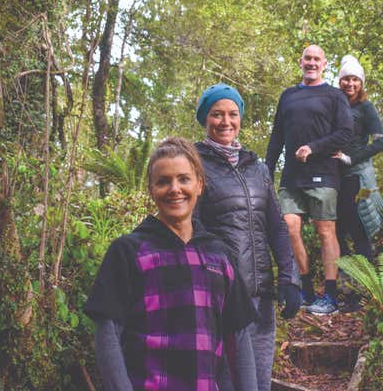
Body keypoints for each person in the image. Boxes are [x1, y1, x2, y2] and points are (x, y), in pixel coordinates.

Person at [84, 137, 259, 391]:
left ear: (200, 184)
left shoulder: (220, 254)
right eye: (163, 181)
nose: (174, 189)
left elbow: (239, 338)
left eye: (183, 179)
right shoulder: (128, 251)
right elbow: (107, 334)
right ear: (151, 189)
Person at [194, 83, 301, 391]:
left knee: (258, 382)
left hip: (261, 298)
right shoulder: (194, 165)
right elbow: (193, 230)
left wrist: (289, 278)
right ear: (205, 119)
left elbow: (276, 226)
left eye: (232, 113)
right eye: (216, 114)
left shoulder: (258, 168)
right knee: (229, 382)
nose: (225, 121)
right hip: (223, 297)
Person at [265, 44, 353, 315]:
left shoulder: (334, 96)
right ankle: (304, 288)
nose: (311, 63)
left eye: (317, 59)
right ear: (300, 62)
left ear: (324, 64)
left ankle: (329, 295)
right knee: (289, 228)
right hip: (291, 177)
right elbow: (277, 135)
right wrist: (266, 169)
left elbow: (345, 133)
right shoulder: (288, 96)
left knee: (325, 230)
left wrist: (314, 147)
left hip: (324, 174)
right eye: (307, 58)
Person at [332, 55, 383, 279]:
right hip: (334, 175)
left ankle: (366, 279)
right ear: (340, 81)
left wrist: (350, 158)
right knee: (336, 227)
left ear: (361, 82)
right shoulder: (334, 104)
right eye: (346, 79)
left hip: (356, 174)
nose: (350, 84)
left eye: (355, 79)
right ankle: (346, 277)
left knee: (358, 225)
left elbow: (380, 142)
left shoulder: (366, 108)